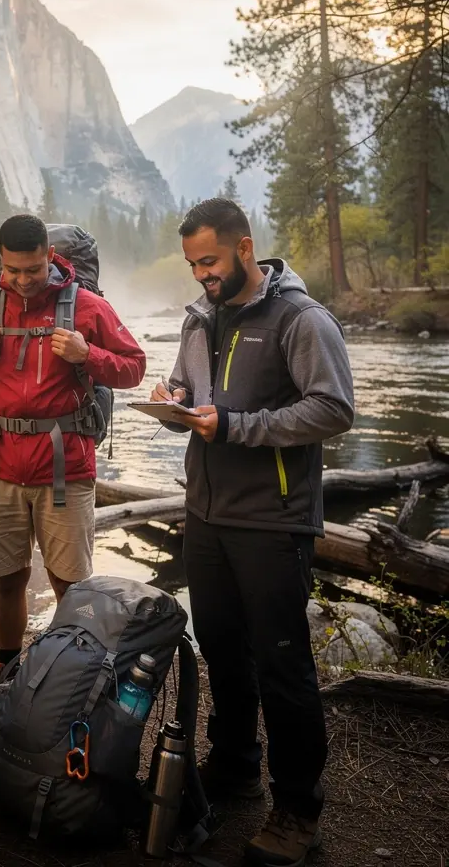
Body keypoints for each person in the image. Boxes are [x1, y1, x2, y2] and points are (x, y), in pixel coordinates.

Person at [150, 197, 353, 867]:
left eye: (208, 261)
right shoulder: (198, 318)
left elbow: (332, 409)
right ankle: (235, 764)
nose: (200, 275)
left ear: (244, 250)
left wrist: (237, 427)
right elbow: (188, 389)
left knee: (283, 666)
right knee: (221, 649)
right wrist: (171, 404)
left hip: (273, 520)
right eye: (192, 265)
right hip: (207, 514)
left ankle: (296, 812)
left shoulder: (300, 318)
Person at [0, 213, 146, 732]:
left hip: (65, 467)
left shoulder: (87, 307)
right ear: (0, 258)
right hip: (0, 465)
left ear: (50, 257)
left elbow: (134, 367)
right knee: (7, 577)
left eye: (33, 269)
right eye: (13, 270)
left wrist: (86, 353)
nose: (24, 280)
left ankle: (69, 687)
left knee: (72, 585)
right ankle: (5, 677)